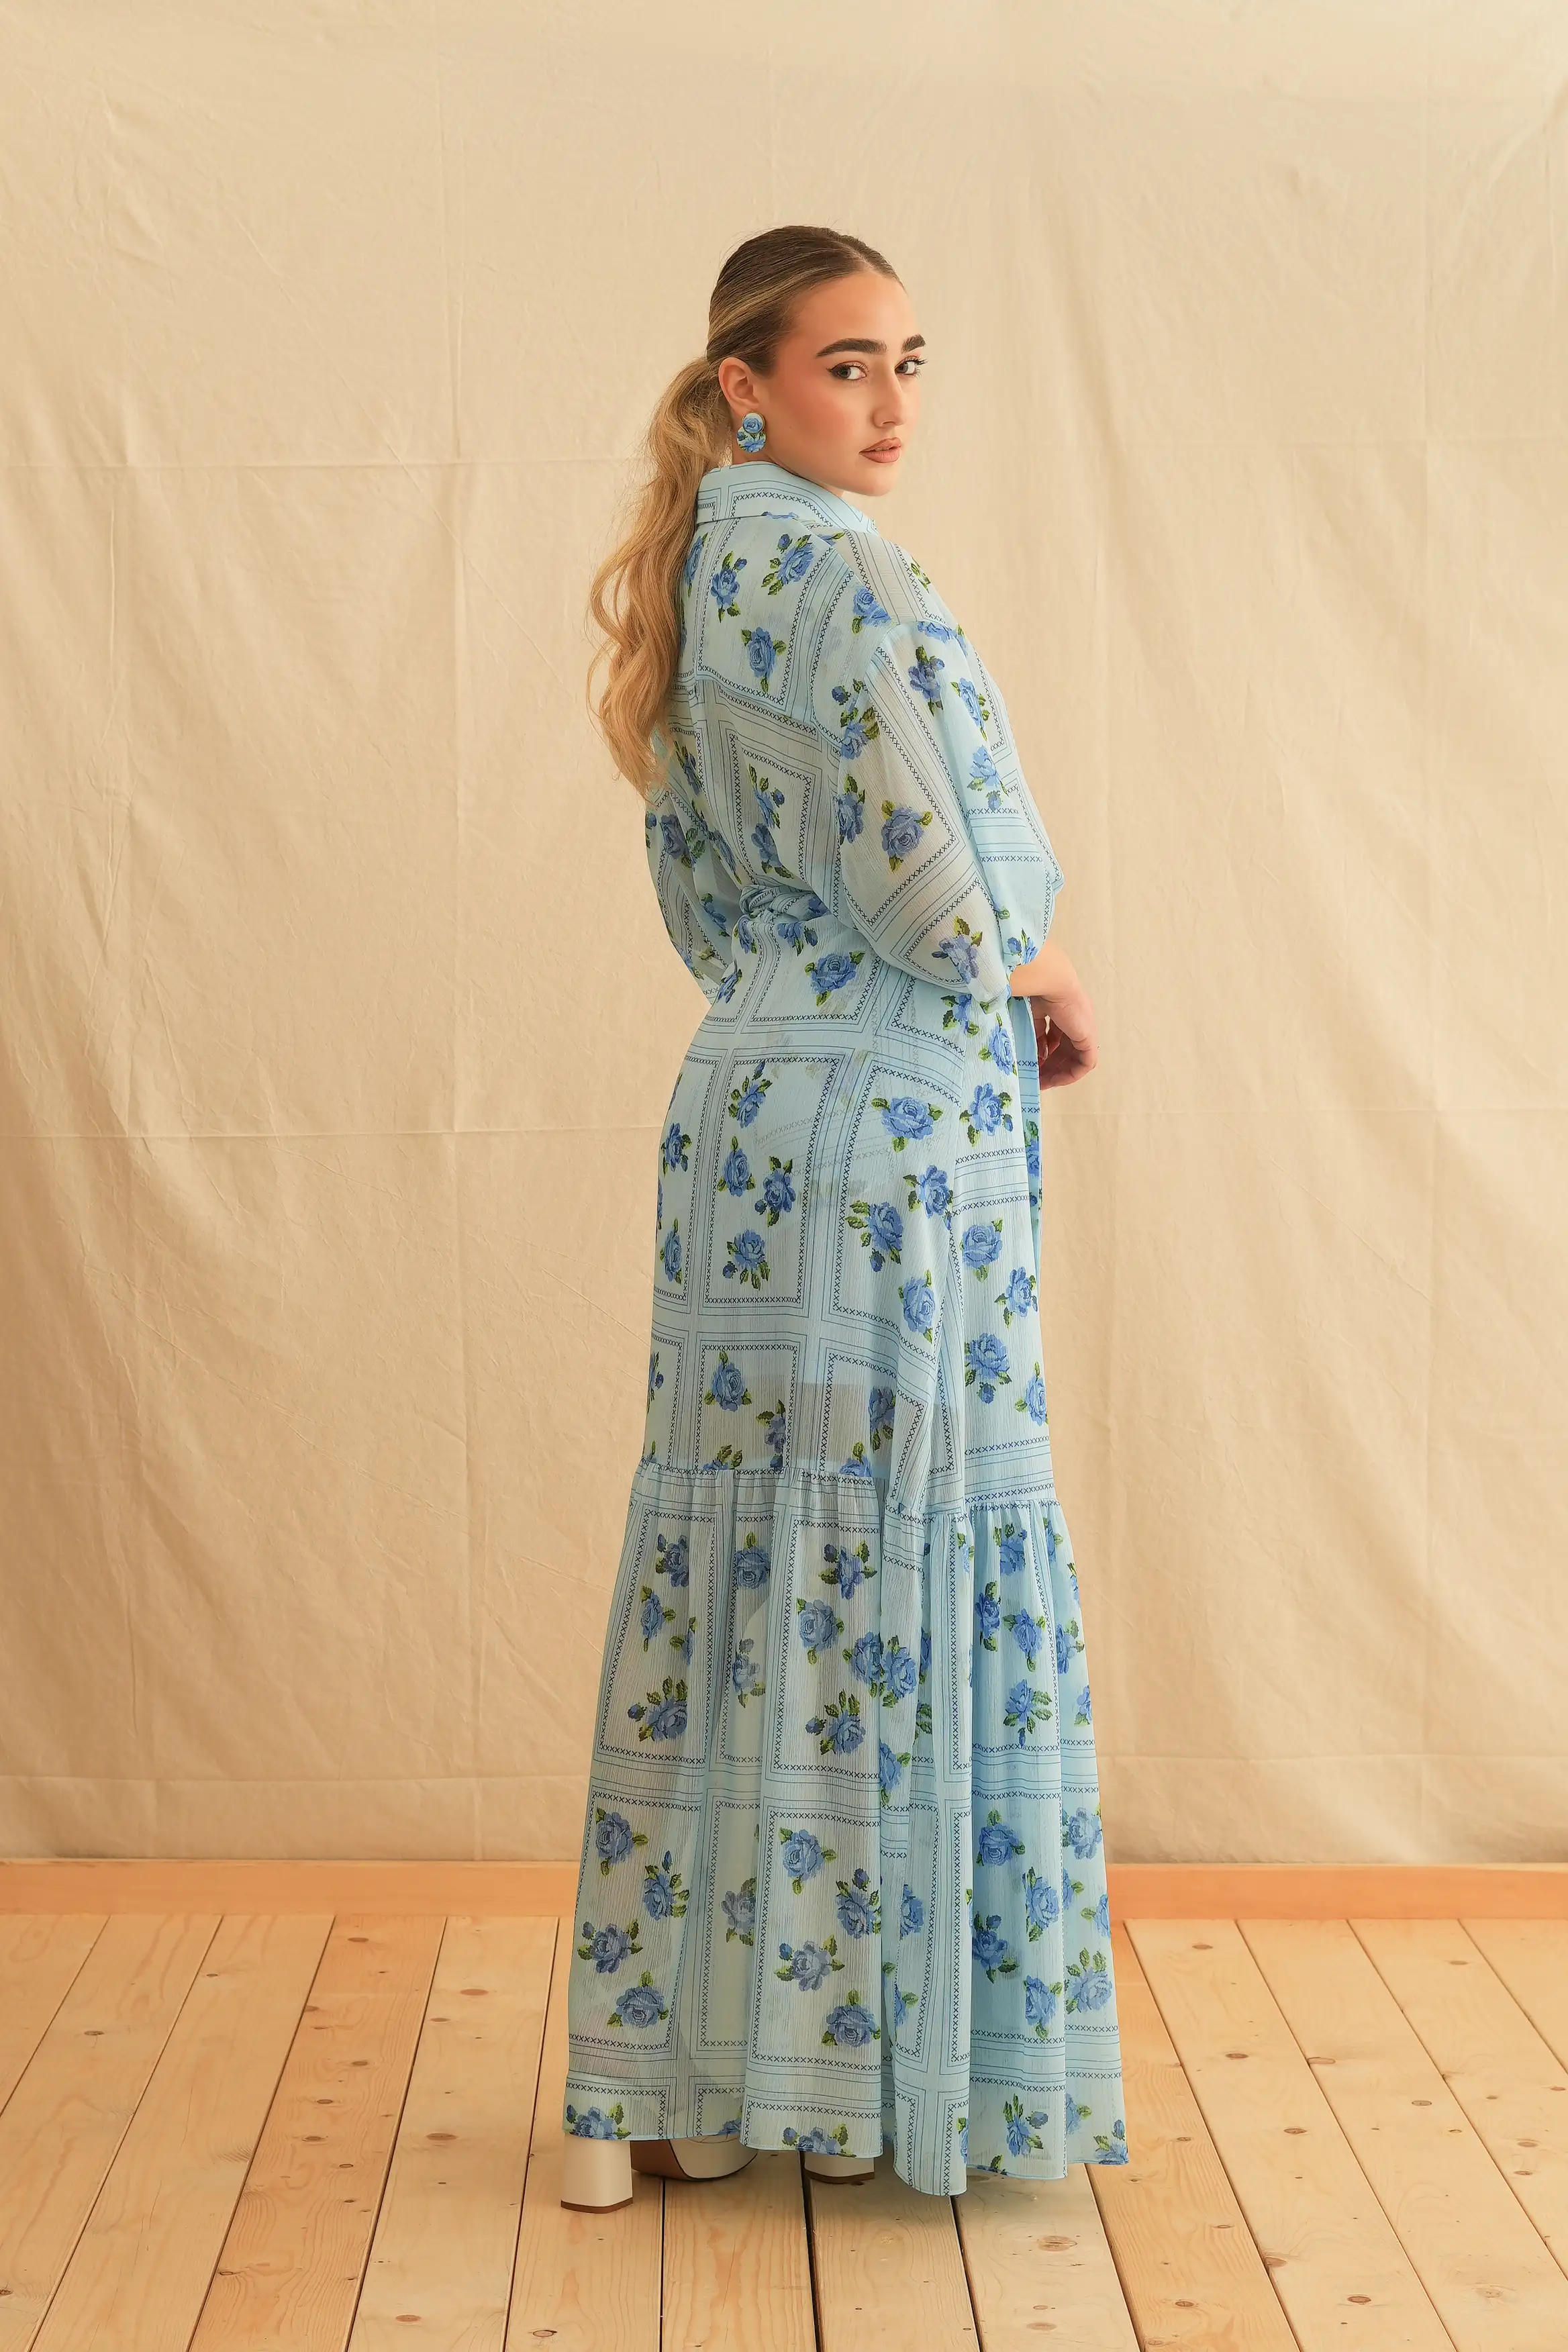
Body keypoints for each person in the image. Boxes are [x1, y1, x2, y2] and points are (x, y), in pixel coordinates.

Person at [559, 225, 1126, 2210]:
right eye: (846, 366)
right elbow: (933, 875)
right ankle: (855, 2086)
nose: (890, 405)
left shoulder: (703, 577)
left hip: (747, 1109)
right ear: (748, 387)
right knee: (888, 1553)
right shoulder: (852, 577)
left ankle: (677, 2087)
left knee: (744, 1572)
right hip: (891, 1131)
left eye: (908, 363)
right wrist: (1040, 965)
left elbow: (703, 894)